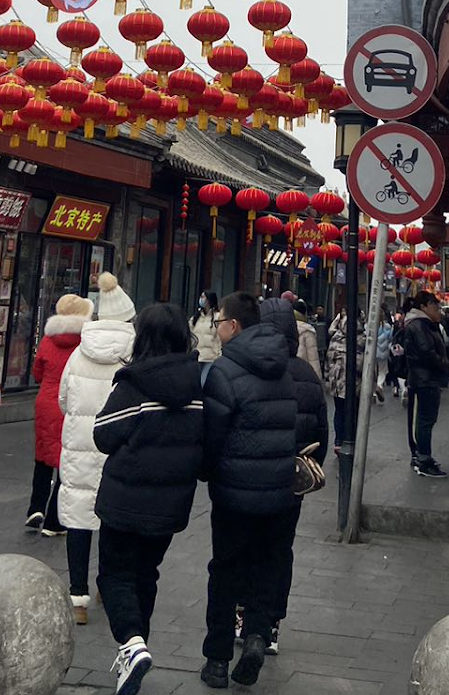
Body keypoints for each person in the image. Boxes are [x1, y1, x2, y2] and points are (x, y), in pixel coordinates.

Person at [94, 303, 205, 695]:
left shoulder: (134, 384)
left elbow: (103, 434)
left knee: (114, 576)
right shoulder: (197, 386)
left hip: (125, 500)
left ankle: (130, 642)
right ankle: (137, 648)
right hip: (170, 506)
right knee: (146, 575)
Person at [199, 292, 296, 689]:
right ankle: (256, 636)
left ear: (234, 326)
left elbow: (212, 436)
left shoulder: (225, 371)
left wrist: (208, 474)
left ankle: (218, 659)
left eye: (219, 321)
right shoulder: (285, 369)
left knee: (225, 572)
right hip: (276, 490)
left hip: (234, 493)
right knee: (264, 566)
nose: (216, 327)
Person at [239, 297, 327, 656]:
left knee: (245, 547)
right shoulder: (306, 374)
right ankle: (270, 624)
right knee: (278, 551)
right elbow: (321, 432)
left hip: (247, 477)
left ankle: (244, 616)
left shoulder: (246, 368)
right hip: (290, 481)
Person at [58, 273, 136, 626]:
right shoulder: (134, 355)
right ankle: (108, 585)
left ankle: (78, 598)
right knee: (112, 520)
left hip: (80, 445)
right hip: (119, 449)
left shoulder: (78, 352)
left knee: (78, 520)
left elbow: (63, 399)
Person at [27, 293, 91, 535]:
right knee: (65, 461)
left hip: (45, 401)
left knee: (43, 455)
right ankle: (54, 521)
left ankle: (35, 507)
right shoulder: (84, 341)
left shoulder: (47, 339)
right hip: (70, 402)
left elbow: (37, 372)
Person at [404, 290, 449, 478]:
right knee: (424, 420)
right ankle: (423, 459)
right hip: (424, 379)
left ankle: (421, 456)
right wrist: (443, 362)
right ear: (423, 307)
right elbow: (426, 352)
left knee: (425, 420)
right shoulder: (419, 325)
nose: (438, 311)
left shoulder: (426, 324)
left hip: (425, 379)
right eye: (435, 307)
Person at [325, 297, 364, 454]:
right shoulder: (361, 336)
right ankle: (350, 440)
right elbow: (364, 362)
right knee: (353, 412)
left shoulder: (336, 335)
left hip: (337, 380)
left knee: (339, 411)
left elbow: (329, 357)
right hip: (354, 381)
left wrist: (329, 377)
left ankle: (339, 441)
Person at [291, 299, 321, 381]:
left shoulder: (286, 327)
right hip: (304, 374)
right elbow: (313, 358)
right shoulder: (308, 331)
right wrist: (318, 380)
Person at [191, 291, 220, 364]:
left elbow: (220, 338)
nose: (201, 299)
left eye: (203, 297)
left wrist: (218, 355)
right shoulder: (195, 318)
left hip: (211, 359)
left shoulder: (218, 317)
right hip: (196, 357)